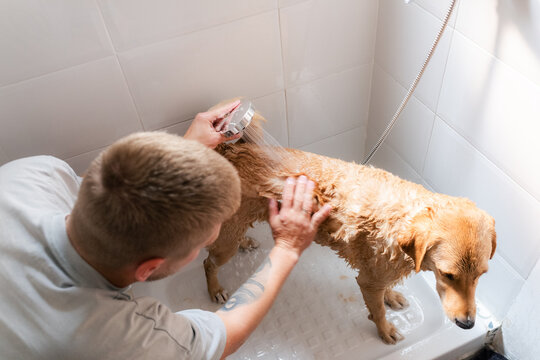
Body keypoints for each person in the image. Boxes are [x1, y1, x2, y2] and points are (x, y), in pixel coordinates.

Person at [0, 100, 332, 359]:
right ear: (149, 269)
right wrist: (287, 249)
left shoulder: (32, 175)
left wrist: (186, 150)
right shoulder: (116, 341)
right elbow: (226, 333)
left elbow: (102, 187)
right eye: (204, 243)